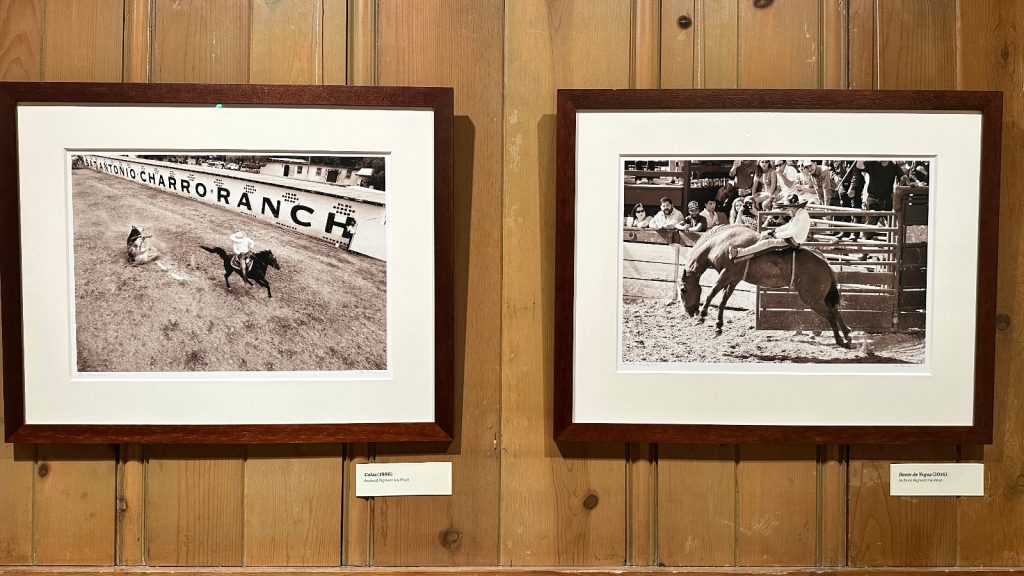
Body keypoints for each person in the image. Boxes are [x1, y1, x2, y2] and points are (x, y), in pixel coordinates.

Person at [730, 194, 810, 262]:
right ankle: (749, 251)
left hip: (792, 242)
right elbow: (788, 226)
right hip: (791, 239)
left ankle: (740, 252)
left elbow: (791, 232)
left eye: (787, 209)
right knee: (765, 235)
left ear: (792, 208)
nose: (787, 211)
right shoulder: (799, 214)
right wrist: (774, 231)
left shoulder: (799, 217)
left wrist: (775, 235)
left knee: (767, 243)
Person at [857, 159, 907, 237]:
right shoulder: (872, 163)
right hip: (873, 199)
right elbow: (859, 166)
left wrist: (910, 183)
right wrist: (864, 153)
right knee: (868, 231)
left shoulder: (893, 165)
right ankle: (867, 244)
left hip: (887, 200)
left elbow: (903, 176)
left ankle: (892, 246)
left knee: (893, 228)